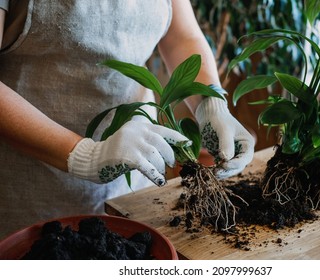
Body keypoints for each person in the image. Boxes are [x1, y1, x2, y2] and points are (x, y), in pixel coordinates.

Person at [0, 0, 255, 239]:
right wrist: (84, 155)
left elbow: (182, 37)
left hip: (135, 174)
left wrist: (211, 104)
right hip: (32, 186)